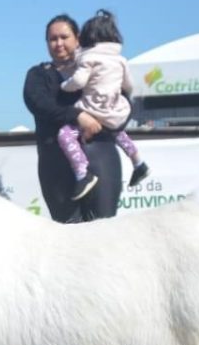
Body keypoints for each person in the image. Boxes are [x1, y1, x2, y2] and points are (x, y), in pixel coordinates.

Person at [22, 15, 125, 223]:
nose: (58, 43)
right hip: (56, 165)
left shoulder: (101, 66)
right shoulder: (38, 75)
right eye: (52, 39)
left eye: (64, 37)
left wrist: (107, 119)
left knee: (104, 230)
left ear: (77, 38)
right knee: (68, 232)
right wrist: (79, 116)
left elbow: (124, 104)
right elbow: (39, 104)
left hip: (101, 156)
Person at [55, 9, 149, 198]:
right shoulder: (120, 60)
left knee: (65, 135)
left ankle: (83, 173)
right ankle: (138, 162)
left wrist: (64, 86)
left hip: (92, 109)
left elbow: (79, 82)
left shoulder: (89, 58)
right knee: (117, 131)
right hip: (114, 109)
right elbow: (129, 85)